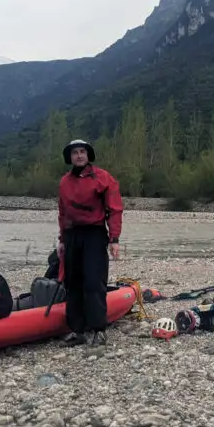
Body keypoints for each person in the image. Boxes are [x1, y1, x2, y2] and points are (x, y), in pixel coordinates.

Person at [56, 138, 123, 347]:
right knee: (73, 282)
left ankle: (98, 330)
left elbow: (114, 209)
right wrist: (61, 239)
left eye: (82, 151)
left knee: (94, 282)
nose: (79, 155)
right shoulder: (64, 182)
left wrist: (114, 239)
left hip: (94, 234)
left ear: (88, 155)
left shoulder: (103, 178)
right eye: (75, 152)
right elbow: (63, 213)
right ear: (70, 157)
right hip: (72, 235)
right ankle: (78, 330)